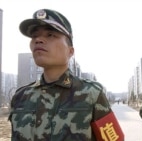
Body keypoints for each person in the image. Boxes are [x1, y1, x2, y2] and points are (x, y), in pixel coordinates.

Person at [8, 9, 123, 141]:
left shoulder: (91, 94)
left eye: (50, 35)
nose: (38, 40)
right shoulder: (20, 97)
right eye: (34, 36)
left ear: (70, 51)